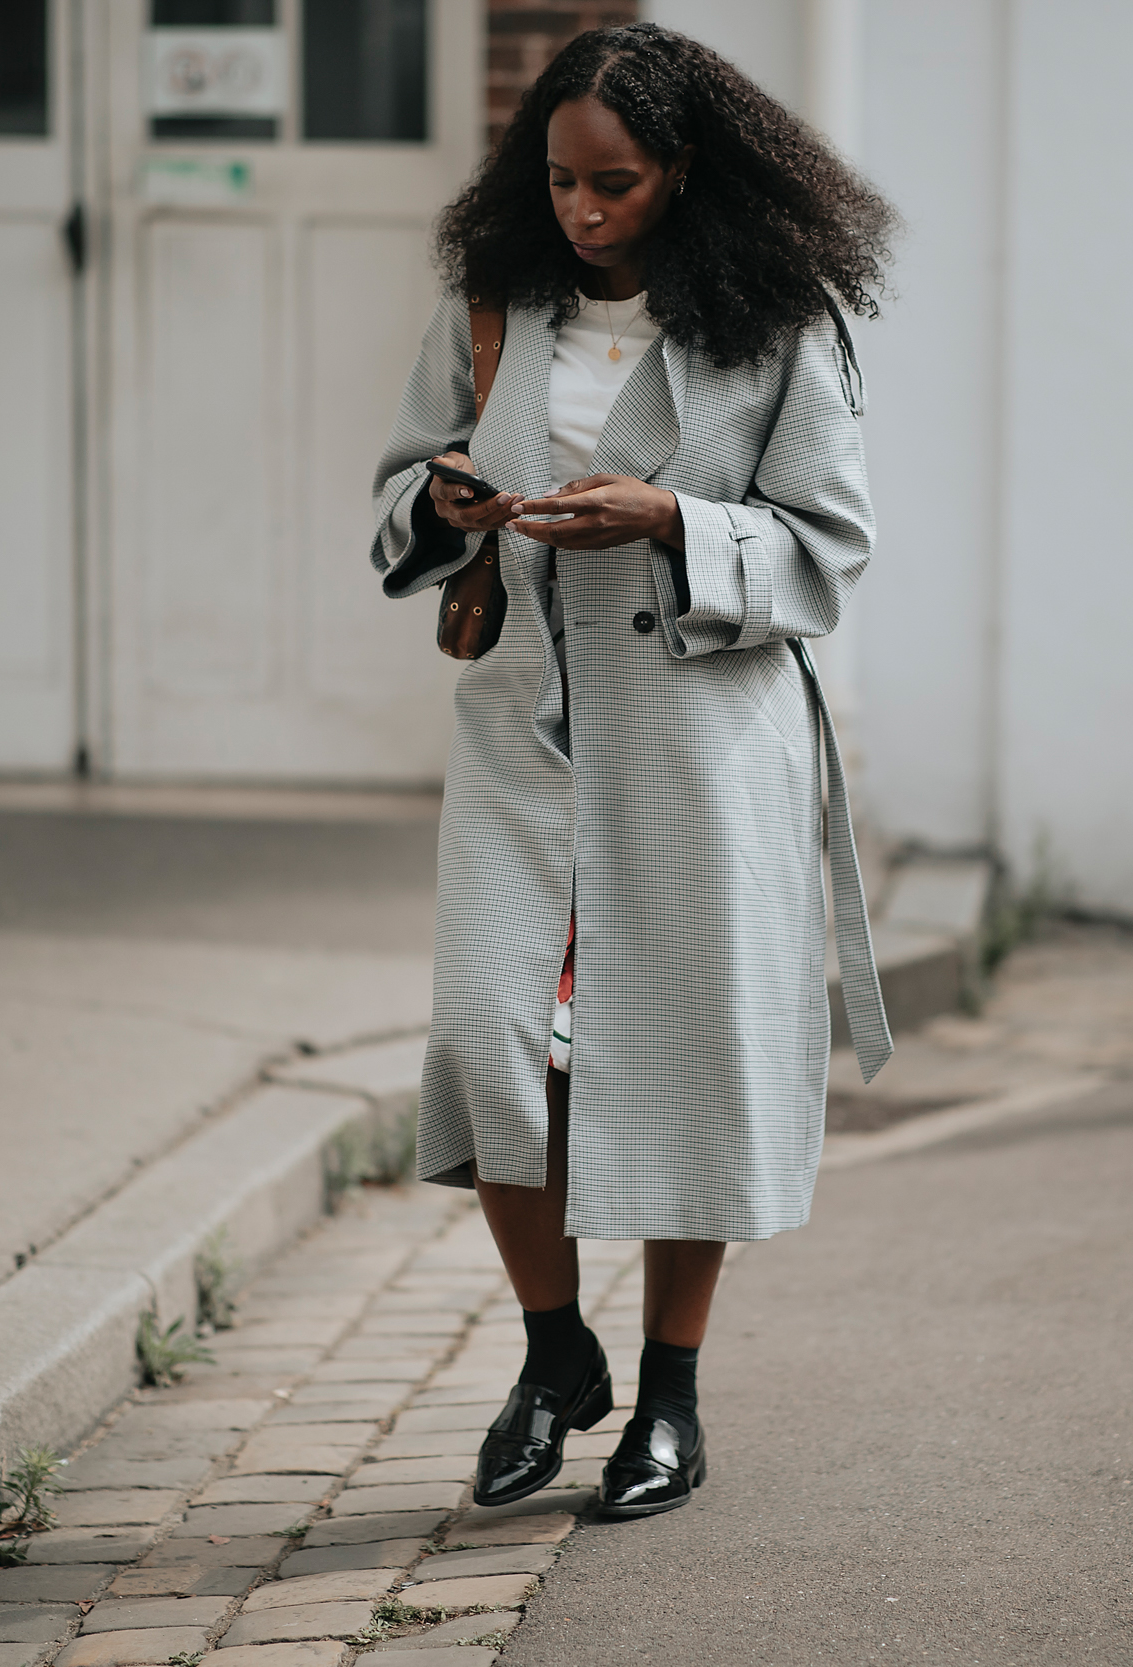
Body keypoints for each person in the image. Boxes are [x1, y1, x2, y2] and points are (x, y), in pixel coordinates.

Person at [365, 23, 896, 1517]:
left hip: (701, 736)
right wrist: (450, 496)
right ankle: (555, 1352)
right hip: (525, 728)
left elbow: (830, 550)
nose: (582, 213)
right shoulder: (498, 306)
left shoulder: (776, 326)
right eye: (559, 181)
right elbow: (400, 489)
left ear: (686, 175)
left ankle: (670, 1393)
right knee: (487, 1036)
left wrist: (671, 519)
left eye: (616, 184)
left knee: (683, 1059)